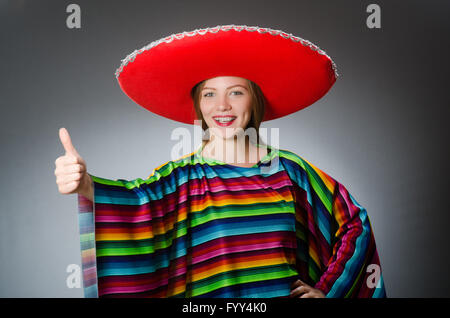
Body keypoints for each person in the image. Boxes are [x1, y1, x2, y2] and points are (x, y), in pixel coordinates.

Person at [54, 25, 386, 298]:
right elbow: (136, 203)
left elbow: (354, 223)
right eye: (209, 93)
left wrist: (329, 292)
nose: (222, 105)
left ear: (254, 100)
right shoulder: (182, 177)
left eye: (236, 92)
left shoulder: (291, 171)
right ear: (197, 106)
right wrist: (86, 184)